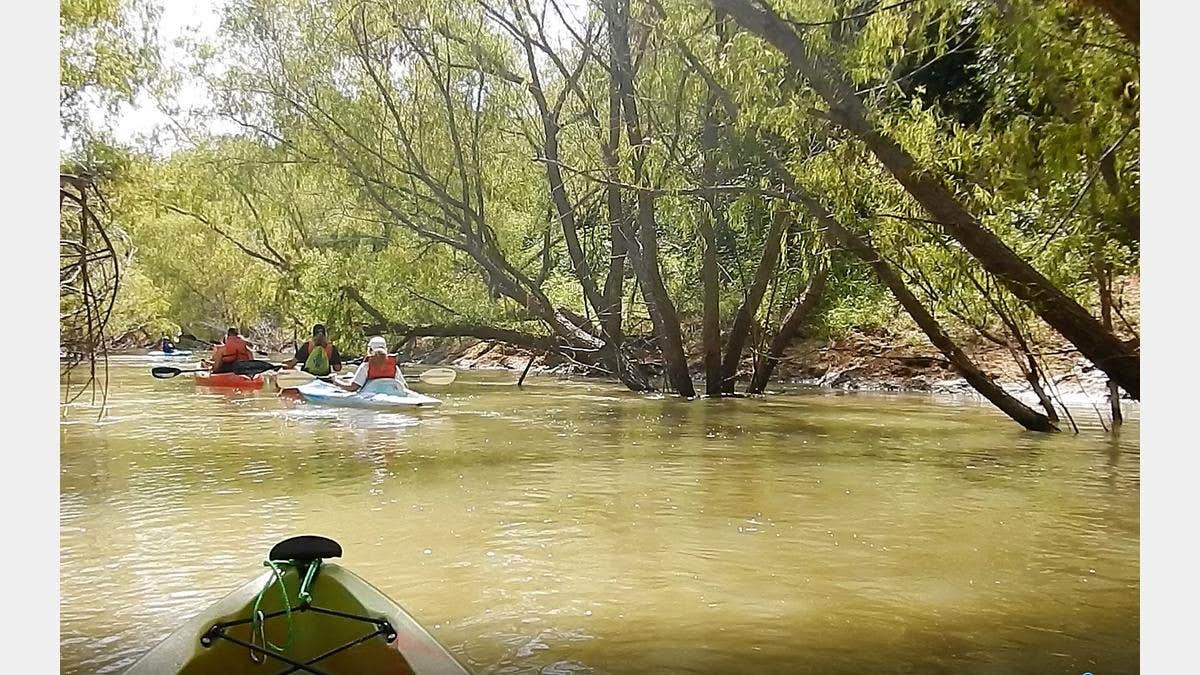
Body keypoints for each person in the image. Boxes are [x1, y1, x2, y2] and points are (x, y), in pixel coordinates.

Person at [340, 336, 408, 392]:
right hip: (392, 392)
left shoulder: (366, 366)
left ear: (370, 350)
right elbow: (404, 386)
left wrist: (335, 381)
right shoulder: (393, 366)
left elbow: (352, 387)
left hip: (371, 394)